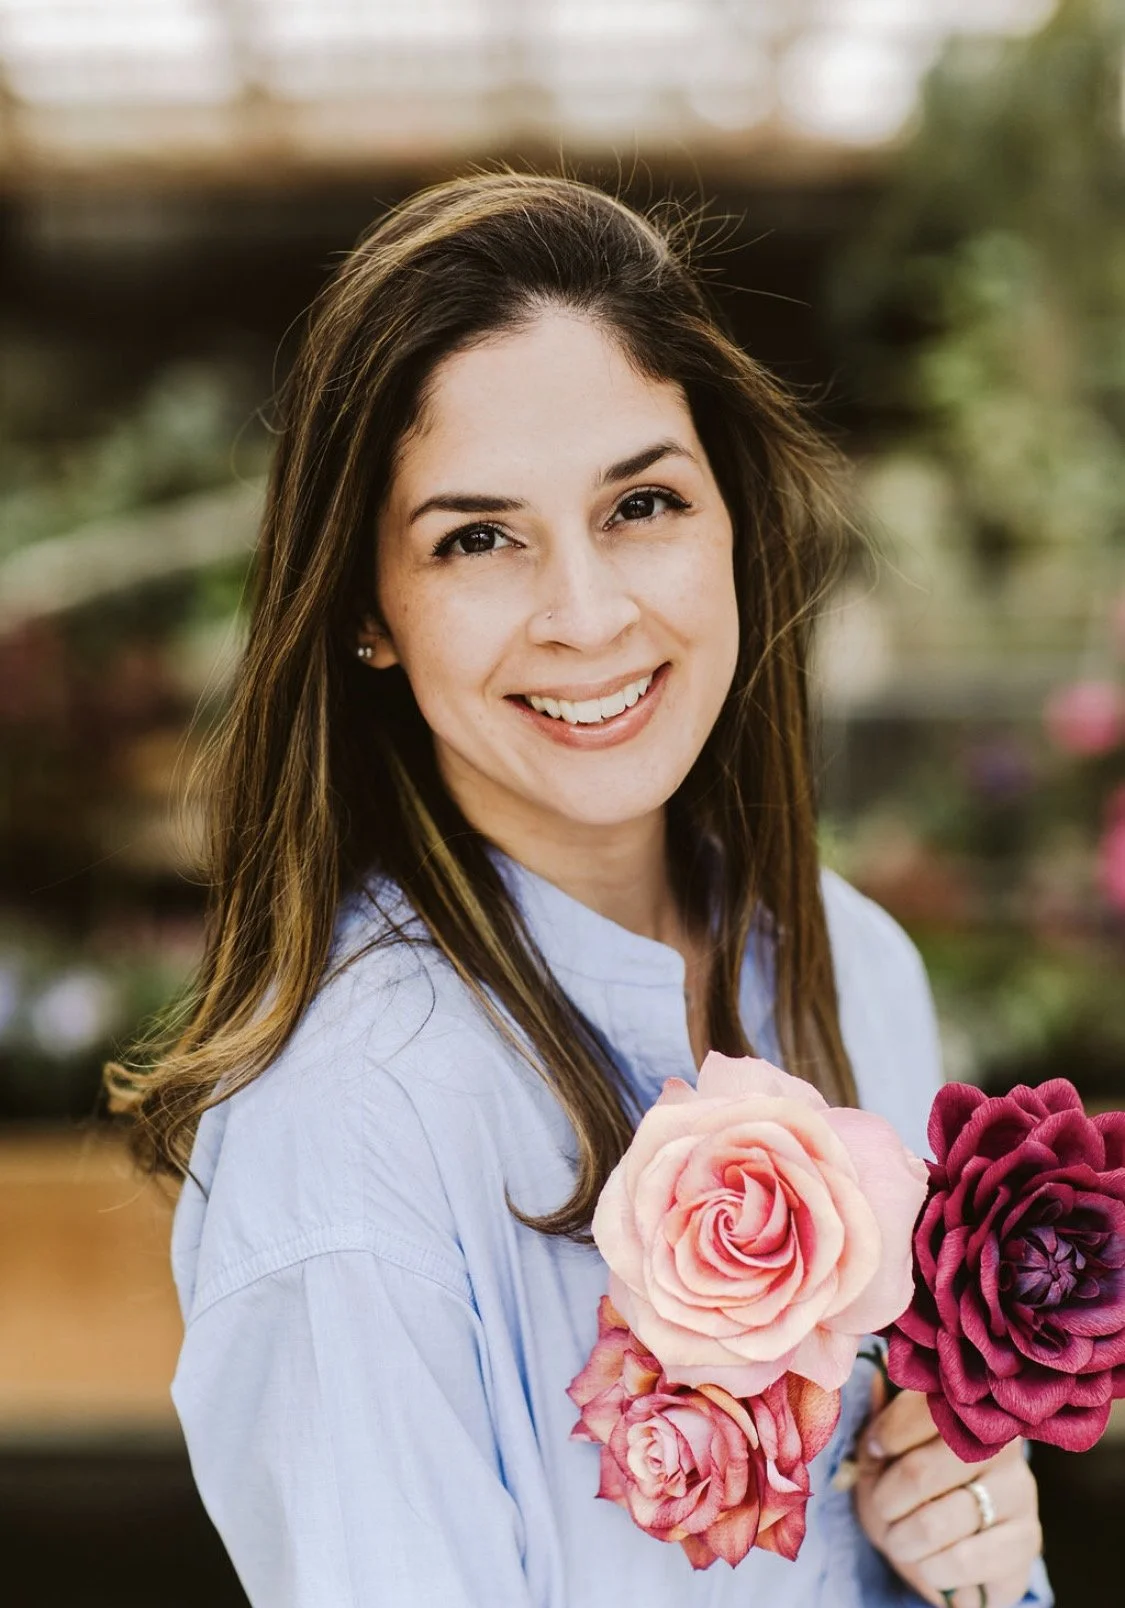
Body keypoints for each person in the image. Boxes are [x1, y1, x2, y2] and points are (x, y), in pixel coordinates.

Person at [109, 171, 1050, 1608]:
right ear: (367, 608)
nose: (590, 615)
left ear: (734, 516)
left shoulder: (854, 968)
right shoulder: (355, 1129)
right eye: (476, 538)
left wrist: (970, 1542)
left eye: (643, 504)